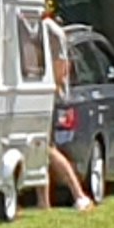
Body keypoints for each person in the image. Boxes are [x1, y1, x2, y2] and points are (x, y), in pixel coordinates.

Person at [38, 15, 97, 211]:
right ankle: (43, 202)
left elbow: (61, 66)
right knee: (40, 148)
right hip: (45, 96)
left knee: (47, 148)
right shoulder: (45, 27)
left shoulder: (49, 29)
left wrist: (50, 90)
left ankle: (79, 194)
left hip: (49, 98)